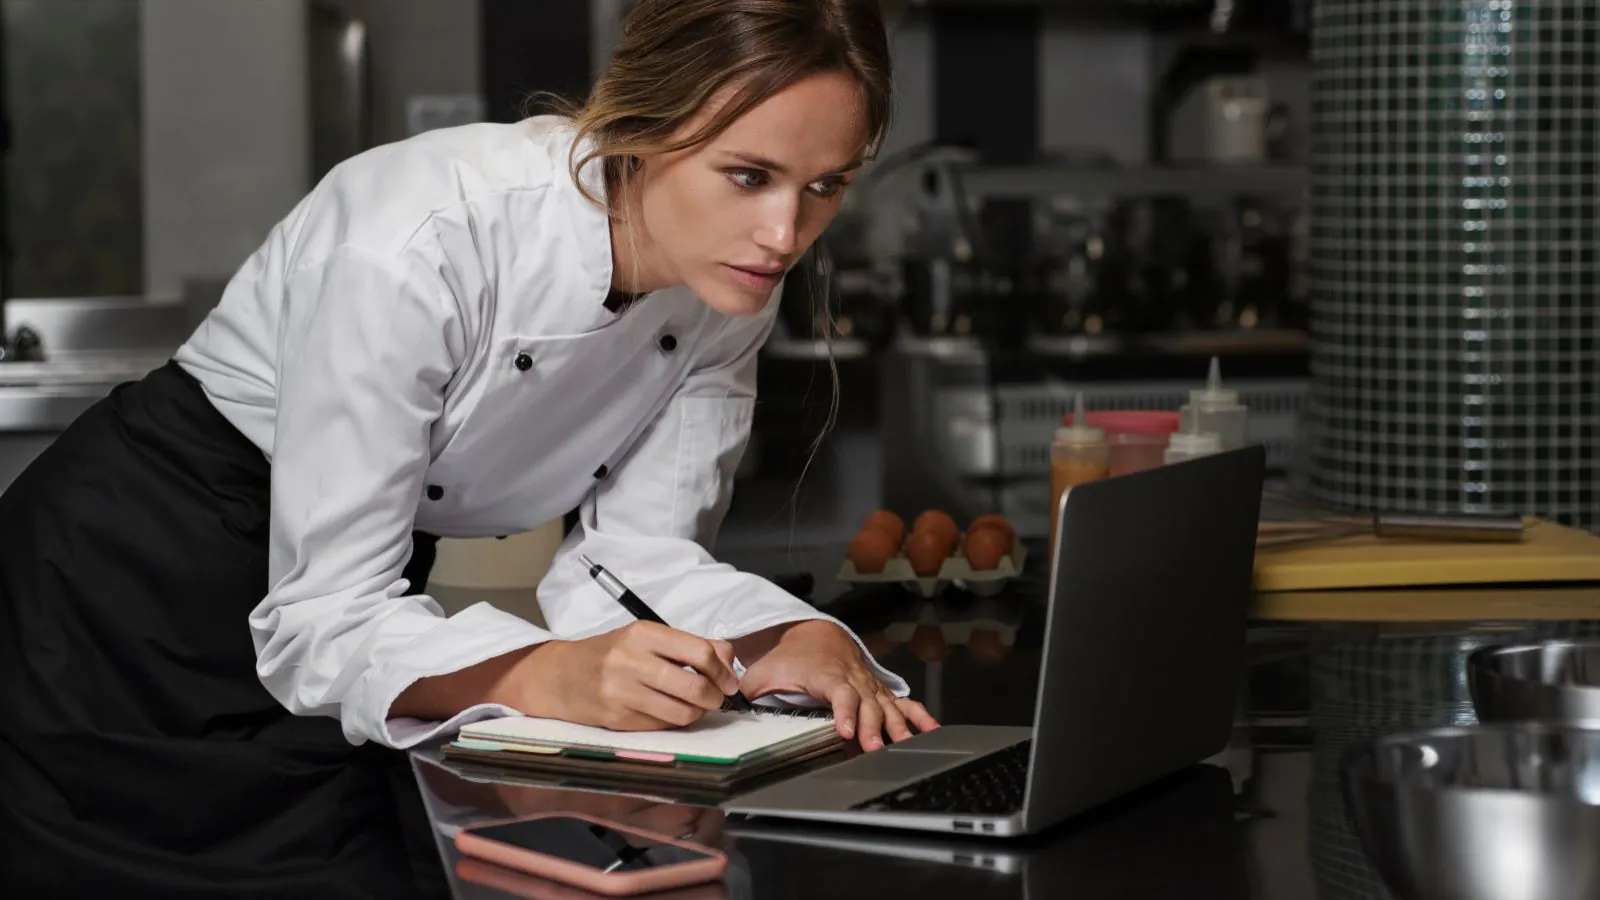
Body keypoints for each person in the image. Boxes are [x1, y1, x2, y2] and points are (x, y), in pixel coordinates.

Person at [0, 0, 937, 895]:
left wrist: (789, 636)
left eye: (825, 187)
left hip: (360, 602)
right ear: (644, 122)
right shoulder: (420, 238)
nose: (784, 236)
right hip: (119, 588)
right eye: (748, 175)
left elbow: (638, 555)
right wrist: (548, 674)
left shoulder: (726, 280)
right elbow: (321, 616)